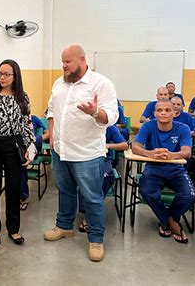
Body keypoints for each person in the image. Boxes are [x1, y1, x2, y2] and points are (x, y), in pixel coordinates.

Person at [43, 45, 118, 262]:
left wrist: (95, 111)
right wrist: (53, 137)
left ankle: (96, 239)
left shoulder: (101, 84)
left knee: (92, 198)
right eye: (62, 61)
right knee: (64, 191)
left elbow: (110, 117)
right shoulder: (59, 83)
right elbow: (50, 111)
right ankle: (64, 226)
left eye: (68, 62)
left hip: (87, 154)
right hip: (60, 152)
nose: (64, 66)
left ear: (82, 60)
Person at [0, 59, 35, 247]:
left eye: (7, 74)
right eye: (0, 73)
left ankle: (13, 229)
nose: (2, 77)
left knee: (13, 188)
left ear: (15, 76)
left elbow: (27, 124)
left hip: (13, 145)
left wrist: (30, 148)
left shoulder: (22, 97)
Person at [132, 100, 195, 244]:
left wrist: (170, 155)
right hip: (154, 168)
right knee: (146, 191)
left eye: (167, 110)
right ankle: (170, 221)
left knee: (190, 196)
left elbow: (186, 152)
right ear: (155, 113)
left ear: (175, 113)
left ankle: (169, 219)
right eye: (159, 110)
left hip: (176, 169)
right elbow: (135, 146)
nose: (163, 113)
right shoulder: (148, 126)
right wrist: (150, 154)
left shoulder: (183, 128)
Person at [78, 125, 128, 232]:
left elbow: (125, 145)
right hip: (84, 158)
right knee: (84, 178)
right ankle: (89, 212)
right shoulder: (81, 125)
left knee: (105, 176)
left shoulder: (110, 127)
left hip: (103, 159)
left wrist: (108, 146)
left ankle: (90, 213)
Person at [20, 115, 49, 210]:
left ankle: (26, 157)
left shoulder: (34, 119)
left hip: (34, 147)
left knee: (36, 138)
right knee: (21, 164)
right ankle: (24, 196)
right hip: (22, 149)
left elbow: (47, 133)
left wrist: (39, 138)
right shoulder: (15, 119)